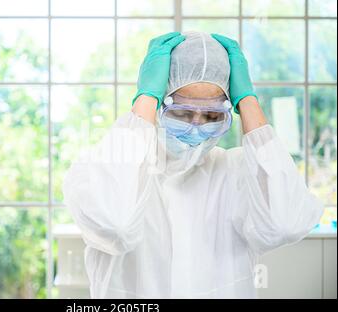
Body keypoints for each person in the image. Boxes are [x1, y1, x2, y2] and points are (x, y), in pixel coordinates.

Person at [62, 31, 323, 298]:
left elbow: (285, 223)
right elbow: (115, 223)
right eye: (181, 112)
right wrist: (145, 99)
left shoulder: (235, 172)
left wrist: (247, 100)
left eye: (212, 115)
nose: (196, 127)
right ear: (157, 104)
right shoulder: (104, 167)